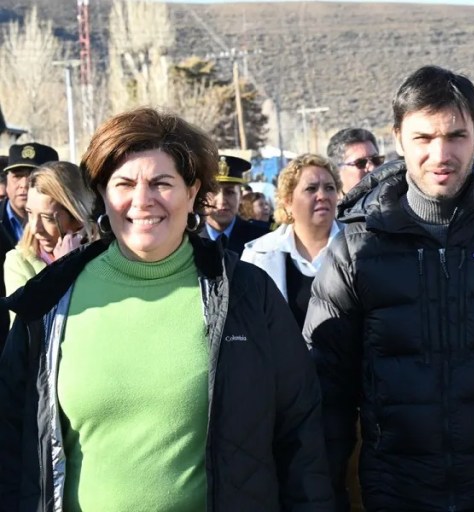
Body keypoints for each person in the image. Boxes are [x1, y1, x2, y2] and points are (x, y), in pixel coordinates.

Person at [0, 107, 333, 510]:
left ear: (193, 191)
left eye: (162, 183)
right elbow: (13, 444)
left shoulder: (248, 295)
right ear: (102, 193)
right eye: (123, 183)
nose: (143, 201)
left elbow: (300, 436)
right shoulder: (49, 301)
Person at [306, 65, 474, 512]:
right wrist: (326, 495)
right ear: (399, 138)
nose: (440, 153)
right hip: (395, 492)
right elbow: (325, 389)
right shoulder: (357, 248)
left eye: (456, 136)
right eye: (424, 138)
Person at [242, 153, 341, 326]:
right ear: (288, 200)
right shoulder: (258, 255)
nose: (322, 195)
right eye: (311, 188)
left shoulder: (359, 246)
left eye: (330, 188)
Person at [4, 161, 97, 299]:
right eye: (29, 212)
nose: (35, 228)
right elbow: (28, 318)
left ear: (78, 219)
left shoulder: (106, 255)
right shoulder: (19, 261)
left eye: (48, 218)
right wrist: (63, 270)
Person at [0, 143, 59, 348]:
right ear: (6, 181)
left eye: (34, 176)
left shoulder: (80, 237)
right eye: (17, 175)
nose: (24, 184)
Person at [199, 154, 269, 253]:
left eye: (229, 192)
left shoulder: (260, 239)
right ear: (201, 195)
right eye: (213, 191)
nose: (222, 200)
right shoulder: (186, 239)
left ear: (240, 196)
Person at [326, 128, 384, 194]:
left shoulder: (395, 200)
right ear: (337, 171)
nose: (372, 168)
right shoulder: (328, 203)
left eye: (375, 160)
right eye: (361, 163)